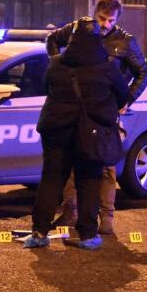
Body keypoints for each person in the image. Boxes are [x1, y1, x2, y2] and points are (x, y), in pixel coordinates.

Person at [46, 0, 147, 234]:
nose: (105, 25)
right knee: (75, 159)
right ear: (95, 13)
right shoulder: (77, 30)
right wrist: (56, 64)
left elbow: (143, 72)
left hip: (106, 110)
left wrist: (127, 100)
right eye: (102, 19)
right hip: (79, 107)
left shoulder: (125, 41)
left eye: (111, 20)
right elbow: (52, 39)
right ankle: (70, 212)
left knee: (106, 164)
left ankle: (107, 218)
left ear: (117, 19)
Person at [24, 17, 129, 251]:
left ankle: (39, 232)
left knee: (51, 179)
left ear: (71, 39)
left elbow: (47, 88)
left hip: (57, 130)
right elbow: (122, 96)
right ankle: (88, 235)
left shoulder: (57, 64)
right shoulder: (107, 67)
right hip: (90, 132)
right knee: (89, 181)